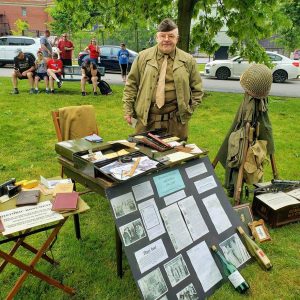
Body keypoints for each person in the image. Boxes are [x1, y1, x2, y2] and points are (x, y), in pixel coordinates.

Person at [123, 18, 203, 140]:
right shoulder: (143, 57)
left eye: (171, 36)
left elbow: (197, 89)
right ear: (157, 37)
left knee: (175, 156)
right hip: (146, 120)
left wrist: (189, 110)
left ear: (177, 38)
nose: (166, 40)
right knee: (143, 155)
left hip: (176, 123)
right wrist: (128, 111)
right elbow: (131, 85)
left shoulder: (188, 60)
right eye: (163, 36)